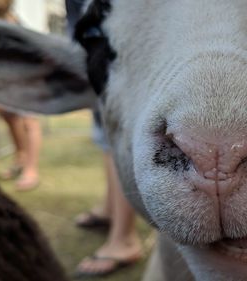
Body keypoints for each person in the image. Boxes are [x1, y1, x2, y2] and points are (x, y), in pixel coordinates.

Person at [65, 0, 143, 277]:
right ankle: (109, 208)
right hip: (89, 35)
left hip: (108, 44)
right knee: (103, 134)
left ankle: (124, 238)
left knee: (117, 137)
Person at [0, 0, 42, 191]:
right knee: (9, 116)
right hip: (3, 81)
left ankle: (31, 170)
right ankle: (20, 159)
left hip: (25, 77)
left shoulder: (14, 26)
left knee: (29, 121)